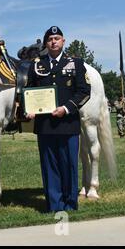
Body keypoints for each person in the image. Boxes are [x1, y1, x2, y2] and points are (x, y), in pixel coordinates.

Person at [26, 26, 91, 212]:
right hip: (45, 126)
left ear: (63, 41)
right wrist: (29, 109)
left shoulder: (76, 63)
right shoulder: (37, 64)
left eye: (57, 38)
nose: (53, 41)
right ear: (46, 43)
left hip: (68, 125)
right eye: (50, 39)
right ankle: (54, 205)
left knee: (69, 165)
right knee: (49, 167)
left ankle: (70, 204)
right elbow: (29, 91)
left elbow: (85, 92)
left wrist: (66, 108)